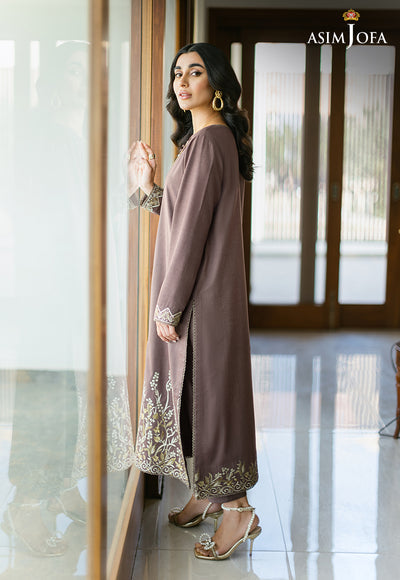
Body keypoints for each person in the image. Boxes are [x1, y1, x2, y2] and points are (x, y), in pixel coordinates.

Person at [128, 42, 261, 560]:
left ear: (217, 84)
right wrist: (147, 187)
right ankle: (207, 492)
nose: (182, 82)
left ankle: (238, 509)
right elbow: (185, 217)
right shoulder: (204, 141)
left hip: (201, 298)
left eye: (195, 72)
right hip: (205, 293)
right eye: (177, 73)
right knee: (198, 396)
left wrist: (169, 305)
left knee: (213, 397)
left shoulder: (210, 141)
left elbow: (190, 237)